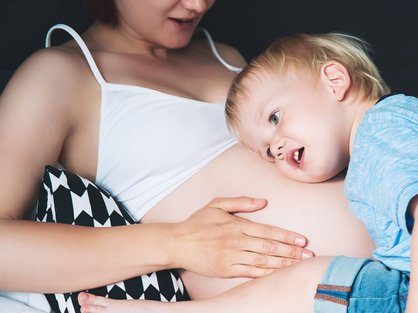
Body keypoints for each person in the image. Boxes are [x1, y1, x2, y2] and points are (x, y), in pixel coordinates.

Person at [75, 33, 418, 313]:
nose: (274, 146)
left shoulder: (382, 134)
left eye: (275, 118)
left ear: (335, 80)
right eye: (265, 151)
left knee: (312, 279)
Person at [0, 1, 374, 311]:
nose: (198, 4)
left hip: (394, 270)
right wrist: (176, 243)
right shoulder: (59, 75)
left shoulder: (227, 57)